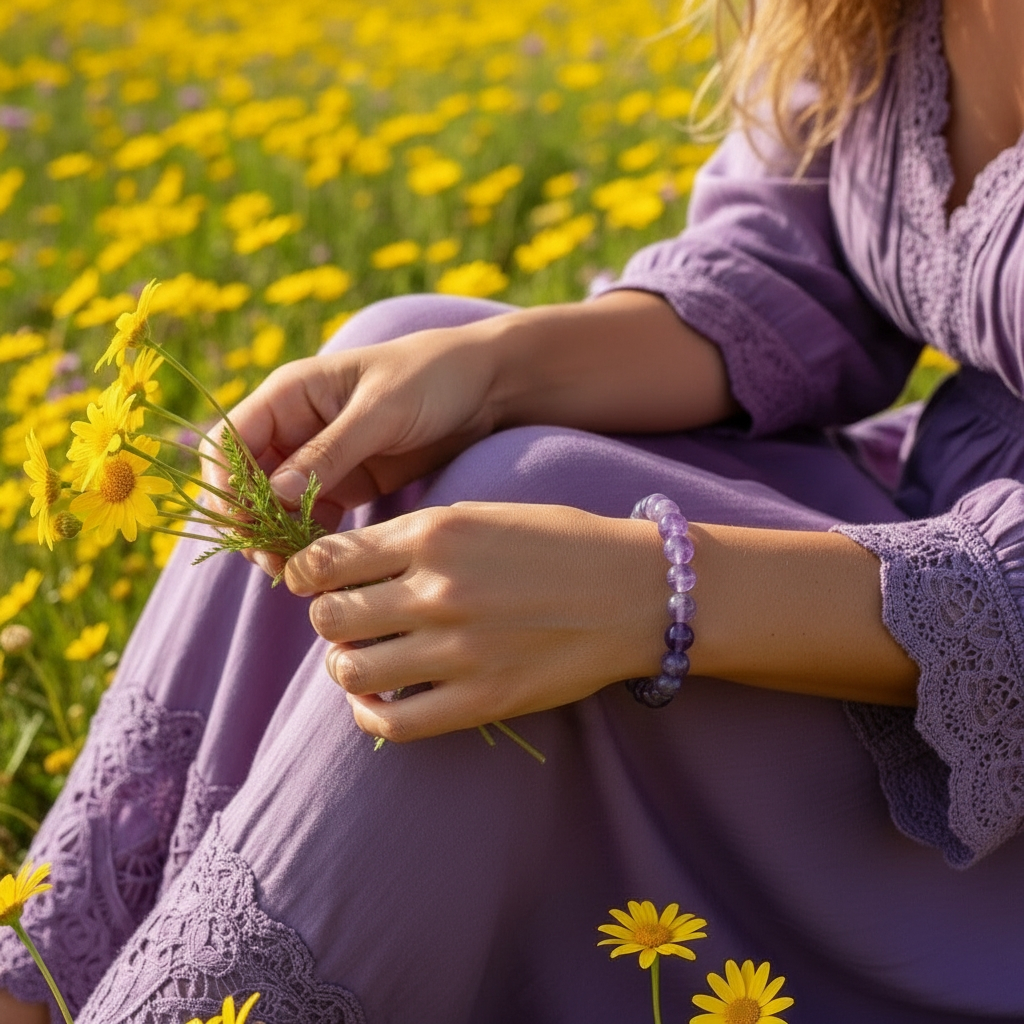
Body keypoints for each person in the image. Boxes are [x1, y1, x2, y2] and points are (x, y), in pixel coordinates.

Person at [5, 0, 1024, 1020]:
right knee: (383, 399)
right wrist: (479, 372)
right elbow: (795, 271)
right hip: (933, 509)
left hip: (981, 806)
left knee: (538, 510)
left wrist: (656, 590)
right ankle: (46, 987)